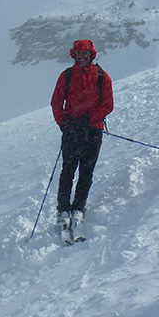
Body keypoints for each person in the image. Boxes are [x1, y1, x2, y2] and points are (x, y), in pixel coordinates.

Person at [50, 39, 114, 233]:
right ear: (74, 55)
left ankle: (78, 207)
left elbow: (108, 104)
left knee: (86, 171)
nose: (82, 56)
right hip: (71, 131)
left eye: (85, 53)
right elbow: (56, 103)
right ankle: (63, 209)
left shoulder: (102, 77)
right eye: (78, 53)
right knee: (67, 171)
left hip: (92, 130)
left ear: (91, 54)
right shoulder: (66, 76)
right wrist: (64, 123)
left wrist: (88, 120)